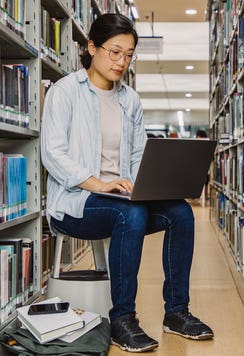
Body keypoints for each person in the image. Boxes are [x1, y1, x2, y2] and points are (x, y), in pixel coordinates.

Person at [40, 13, 213, 353]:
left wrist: (144, 185)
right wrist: (98, 184)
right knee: (128, 216)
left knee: (180, 213)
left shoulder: (130, 100)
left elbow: (137, 155)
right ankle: (122, 319)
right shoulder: (64, 93)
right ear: (91, 47)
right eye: (115, 52)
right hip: (75, 203)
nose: (122, 61)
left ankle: (177, 312)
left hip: (122, 198)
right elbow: (53, 153)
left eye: (129, 54)